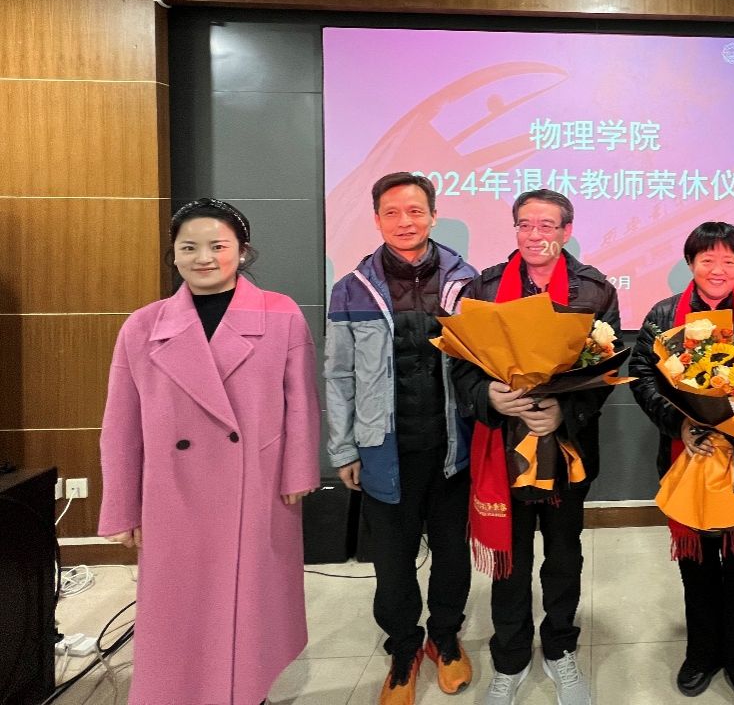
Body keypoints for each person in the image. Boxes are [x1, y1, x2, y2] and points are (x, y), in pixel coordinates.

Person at [99, 198, 320, 705]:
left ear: (242, 251)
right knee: (178, 609)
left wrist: (299, 471)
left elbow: (301, 402)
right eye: (189, 247)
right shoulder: (142, 325)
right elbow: (121, 424)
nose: (204, 258)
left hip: (258, 486)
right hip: (173, 494)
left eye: (218, 246)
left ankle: (246, 693)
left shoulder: (280, 313)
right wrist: (121, 507)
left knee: (251, 608)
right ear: (173, 254)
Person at [451, 190, 620, 705]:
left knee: (564, 556)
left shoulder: (595, 289)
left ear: (566, 231)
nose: (535, 235)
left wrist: (564, 412)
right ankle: (510, 658)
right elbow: (460, 365)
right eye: (525, 225)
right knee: (511, 559)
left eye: (547, 226)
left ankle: (561, 648)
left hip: (567, 452)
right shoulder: (482, 288)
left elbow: (606, 371)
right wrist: (489, 396)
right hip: (503, 450)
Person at [325, 172, 478, 703]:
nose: (404, 222)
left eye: (415, 211)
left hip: (453, 448)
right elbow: (338, 375)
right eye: (392, 212)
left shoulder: (467, 282)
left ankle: (444, 638)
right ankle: (404, 648)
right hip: (383, 449)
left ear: (433, 215)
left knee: (453, 555)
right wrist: (344, 448)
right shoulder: (351, 288)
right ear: (376, 220)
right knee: (392, 562)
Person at [628, 222, 734, 705]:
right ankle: (702, 654)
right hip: (689, 457)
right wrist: (678, 424)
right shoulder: (663, 315)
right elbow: (641, 374)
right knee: (696, 567)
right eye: (707, 260)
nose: (718, 270)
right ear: (690, 263)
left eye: (729, 261)